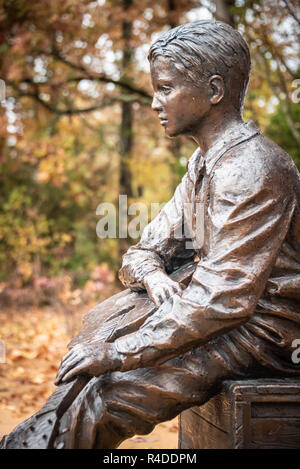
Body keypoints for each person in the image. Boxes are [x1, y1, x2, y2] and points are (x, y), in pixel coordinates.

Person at [1, 19, 300, 449]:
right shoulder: (202, 166)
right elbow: (142, 251)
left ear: (214, 92)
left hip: (268, 332)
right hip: (227, 314)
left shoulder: (253, 169)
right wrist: (156, 278)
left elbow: (224, 297)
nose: (155, 103)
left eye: (166, 89)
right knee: (98, 348)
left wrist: (121, 354)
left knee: (105, 393)